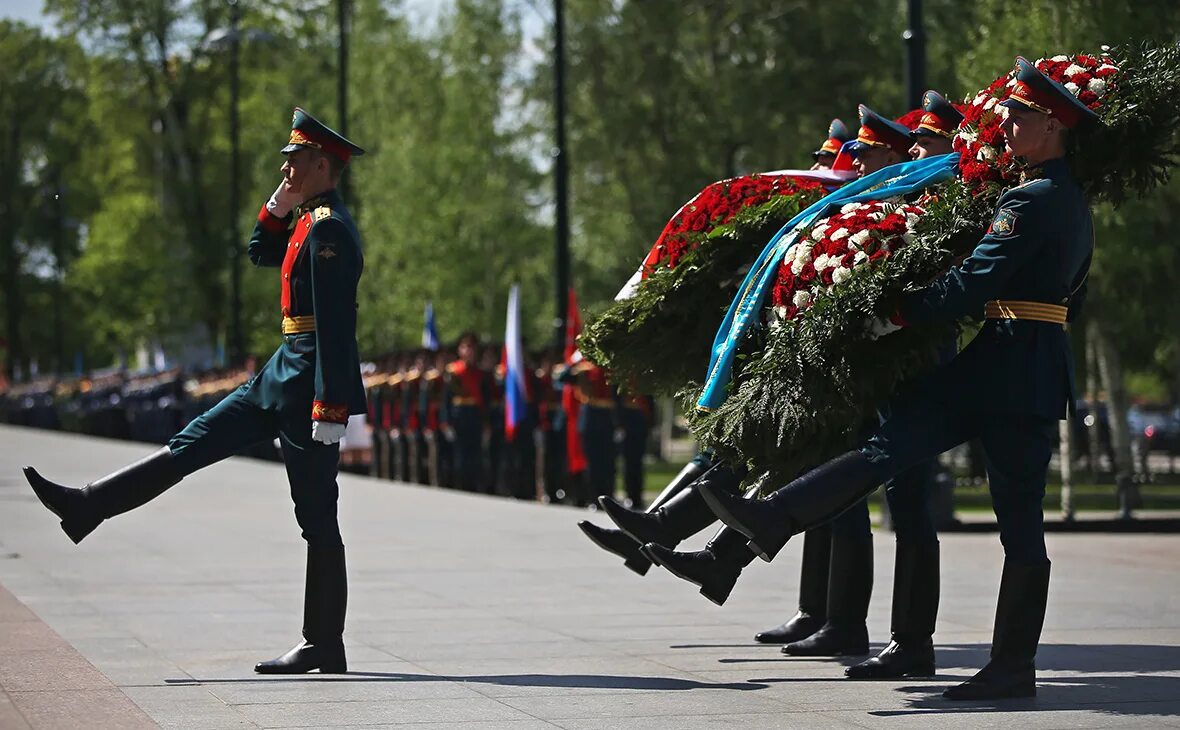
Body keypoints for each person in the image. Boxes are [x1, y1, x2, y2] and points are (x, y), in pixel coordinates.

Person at [696, 57, 1095, 700]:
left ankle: (1011, 665)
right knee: (901, 448)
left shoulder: (1028, 200)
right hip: (1019, 365)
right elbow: (1068, 297)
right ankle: (773, 520)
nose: (1011, 123)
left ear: (1052, 126)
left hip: (1007, 368)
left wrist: (895, 309)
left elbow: (974, 284)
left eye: (1022, 115)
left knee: (1012, 516)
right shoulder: (1071, 201)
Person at [23, 108, 367, 675]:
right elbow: (261, 251)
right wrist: (278, 205)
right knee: (190, 443)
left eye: (295, 160)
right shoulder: (308, 220)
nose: (286, 166)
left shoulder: (330, 227)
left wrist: (329, 407)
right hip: (280, 375)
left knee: (317, 519)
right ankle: (88, 504)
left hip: (307, 388)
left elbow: (334, 324)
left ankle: (323, 643)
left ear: (322, 164)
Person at [447, 333, 489, 492]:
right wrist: (446, 422)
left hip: (475, 416)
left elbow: (484, 400)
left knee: (475, 453)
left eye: (471, 347)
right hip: (459, 416)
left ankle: (474, 485)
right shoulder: (453, 371)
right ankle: (460, 485)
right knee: (460, 454)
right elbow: (447, 399)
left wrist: (486, 422)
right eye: (465, 347)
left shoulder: (480, 373)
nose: (468, 351)